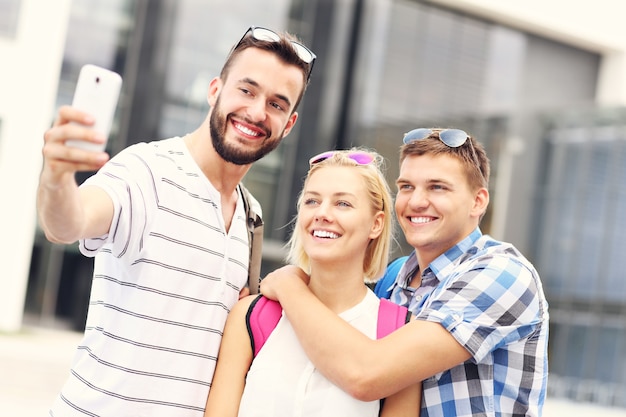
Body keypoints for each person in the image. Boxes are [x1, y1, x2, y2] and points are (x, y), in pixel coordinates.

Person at [37, 26, 315, 416]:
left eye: (276, 103)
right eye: (247, 90)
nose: (256, 112)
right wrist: (55, 176)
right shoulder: (146, 170)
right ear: (215, 90)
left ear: (288, 124)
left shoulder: (252, 216)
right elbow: (68, 223)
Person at [259, 128, 550, 416]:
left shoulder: (502, 274)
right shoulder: (393, 279)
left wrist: (290, 286)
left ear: (478, 201)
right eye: (407, 187)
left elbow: (366, 374)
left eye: (437, 187)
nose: (416, 201)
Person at [204, 149, 420, 417]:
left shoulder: (399, 333)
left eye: (343, 204)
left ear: (376, 224)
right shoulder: (252, 316)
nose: (322, 213)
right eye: (312, 201)